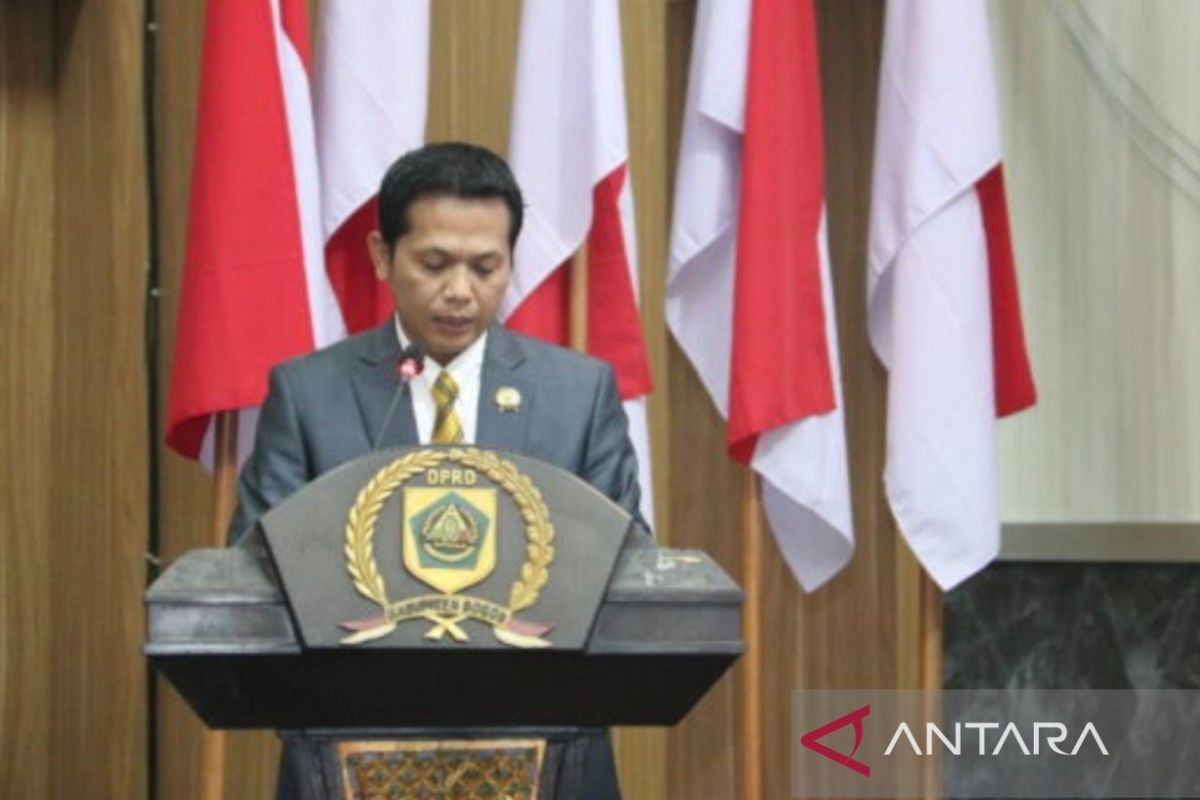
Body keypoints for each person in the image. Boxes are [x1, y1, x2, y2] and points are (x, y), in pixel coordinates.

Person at [228, 142, 641, 799]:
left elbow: (629, 573)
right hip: (355, 753)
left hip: (543, 755)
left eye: (486, 267)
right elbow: (254, 575)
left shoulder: (578, 395)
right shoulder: (308, 396)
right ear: (382, 255)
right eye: (434, 263)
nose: (460, 292)